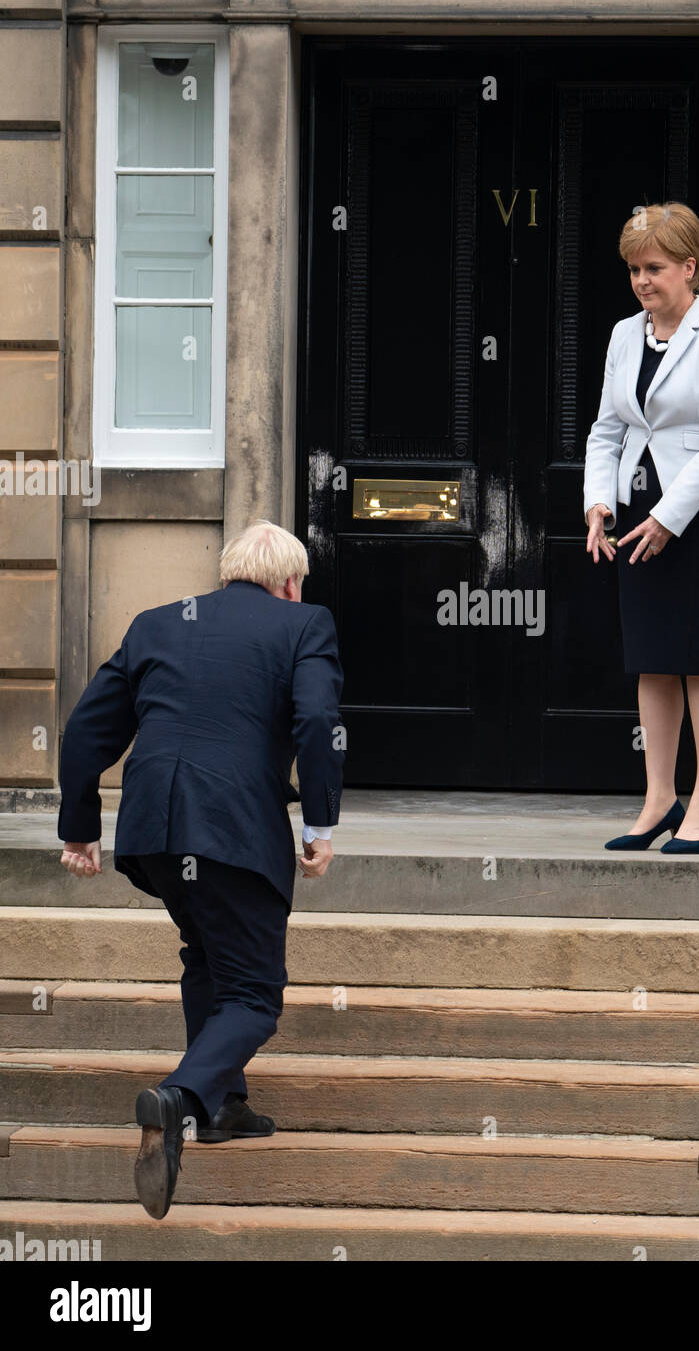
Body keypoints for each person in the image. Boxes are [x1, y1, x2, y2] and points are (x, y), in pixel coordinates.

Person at [57, 520, 344, 1218]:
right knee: (254, 995)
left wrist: (80, 827)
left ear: (227, 573)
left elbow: (84, 730)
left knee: (207, 953)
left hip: (154, 828)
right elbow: (316, 722)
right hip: (233, 827)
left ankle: (223, 1105)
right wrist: (319, 821)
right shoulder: (304, 623)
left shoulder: (157, 624)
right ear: (289, 581)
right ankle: (181, 1101)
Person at [583, 202, 699, 855]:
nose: (640, 281)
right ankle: (659, 799)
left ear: (690, 266)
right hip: (636, 507)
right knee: (652, 660)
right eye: (632, 269)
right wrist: (599, 501)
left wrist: (667, 515)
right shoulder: (625, 335)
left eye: (653, 268)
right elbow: (608, 427)